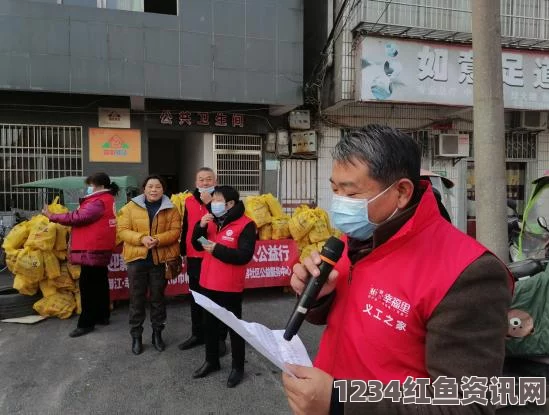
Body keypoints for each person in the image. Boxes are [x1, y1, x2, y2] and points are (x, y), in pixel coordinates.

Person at [282, 125, 512, 414]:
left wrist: (342, 402)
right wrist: (319, 296)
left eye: (350, 193)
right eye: (334, 189)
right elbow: (345, 320)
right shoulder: (355, 238)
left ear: (402, 192)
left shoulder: (469, 273)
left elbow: (467, 405)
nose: (338, 203)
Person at [191, 186, 257, 388]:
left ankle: (238, 367)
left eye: (218, 200)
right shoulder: (210, 220)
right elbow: (196, 244)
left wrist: (217, 249)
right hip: (207, 283)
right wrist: (200, 227)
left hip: (229, 286)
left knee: (234, 328)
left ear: (230, 204)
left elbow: (244, 256)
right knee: (209, 325)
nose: (214, 203)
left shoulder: (246, 225)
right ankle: (212, 361)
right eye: (213, 200)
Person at [43, 172, 118, 338]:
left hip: (92, 248)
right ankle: (102, 315)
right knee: (100, 282)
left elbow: (78, 217)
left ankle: (86, 323)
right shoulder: (107, 199)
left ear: (97, 185)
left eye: (89, 184)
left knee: (88, 286)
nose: (88, 187)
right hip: (99, 247)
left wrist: (51, 216)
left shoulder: (98, 201)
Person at [117, 175, 181, 355]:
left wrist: (158, 240)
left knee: (158, 299)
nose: (154, 190)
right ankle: (136, 336)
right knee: (136, 300)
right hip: (137, 261)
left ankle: (157, 334)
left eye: (158, 187)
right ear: (144, 189)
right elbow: (122, 230)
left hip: (159, 261)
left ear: (163, 189)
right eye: (150, 186)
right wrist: (141, 238)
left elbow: (176, 231)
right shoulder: (129, 207)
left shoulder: (171, 209)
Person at [178, 167, 228, 355]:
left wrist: (209, 204)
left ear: (216, 180)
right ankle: (197, 333)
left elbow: (224, 222)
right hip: (194, 257)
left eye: (209, 179)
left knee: (217, 299)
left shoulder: (221, 200)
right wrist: (183, 249)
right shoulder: (189, 201)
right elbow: (187, 226)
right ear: (195, 182)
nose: (205, 183)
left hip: (213, 256)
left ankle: (219, 338)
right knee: (196, 297)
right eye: (201, 179)